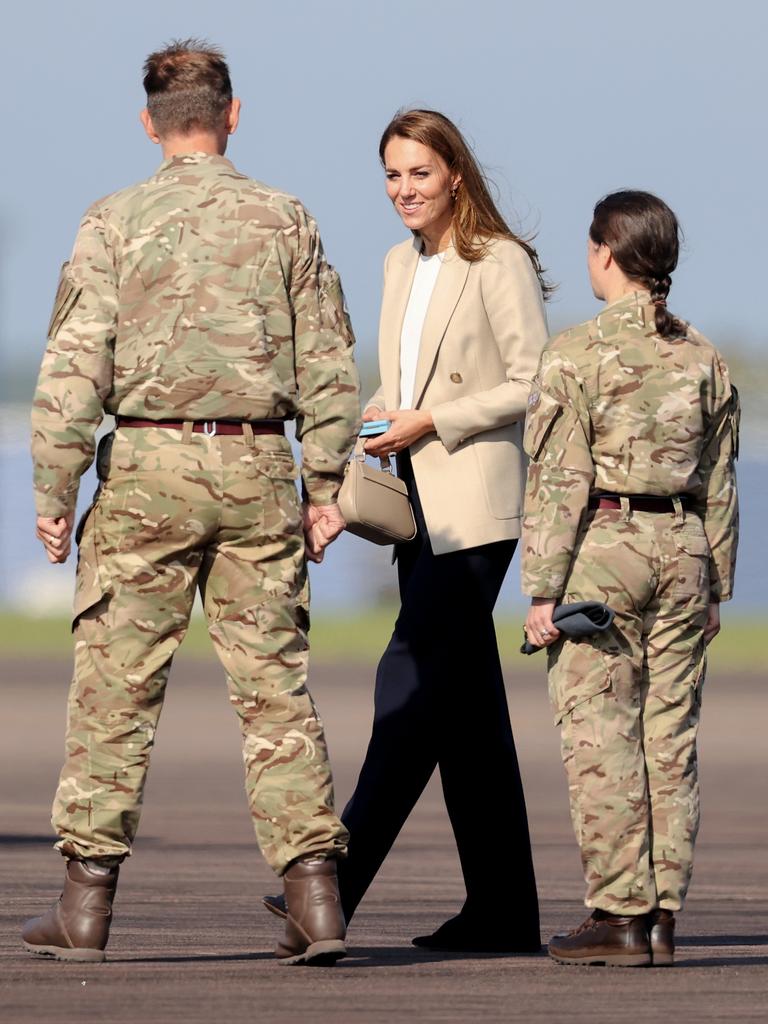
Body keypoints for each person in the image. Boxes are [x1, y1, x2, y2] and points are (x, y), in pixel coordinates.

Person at [22, 39, 360, 966]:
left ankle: (85, 906)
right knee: (275, 691)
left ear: (149, 123)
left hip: (148, 472)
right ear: (233, 114)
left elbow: (71, 371)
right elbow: (330, 366)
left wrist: (55, 490)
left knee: (114, 691)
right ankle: (316, 900)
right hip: (257, 467)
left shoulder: (113, 220)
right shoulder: (285, 218)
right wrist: (325, 487)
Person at [268, 109, 550, 952]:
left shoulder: (497, 261)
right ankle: (503, 912)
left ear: (454, 173)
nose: (403, 190)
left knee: (410, 684)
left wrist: (433, 418)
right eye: (392, 175)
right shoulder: (399, 262)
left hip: (478, 510)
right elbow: (403, 374)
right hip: (415, 508)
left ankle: (331, 886)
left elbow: (537, 382)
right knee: (465, 715)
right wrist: (388, 409)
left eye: (419, 174)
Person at [522, 190, 739, 967]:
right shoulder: (704, 358)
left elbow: (559, 478)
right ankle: (664, 915)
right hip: (684, 551)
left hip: (604, 549)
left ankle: (618, 912)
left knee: (601, 736)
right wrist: (718, 582)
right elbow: (719, 481)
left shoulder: (575, 354)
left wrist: (541, 591)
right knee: (669, 739)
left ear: (604, 254)